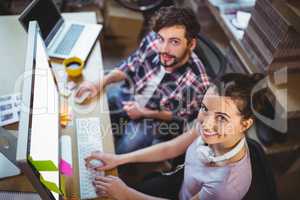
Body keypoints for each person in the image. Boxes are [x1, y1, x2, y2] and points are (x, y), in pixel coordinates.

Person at [84, 73, 268, 200]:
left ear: (245, 124)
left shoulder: (226, 186)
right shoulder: (208, 126)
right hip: (181, 183)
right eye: (204, 108)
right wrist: (118, 159)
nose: (206, 123)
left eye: (221, 118)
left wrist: (125, 194)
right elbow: (172, 147)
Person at [75, 6, 210, 154]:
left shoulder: (198, 82)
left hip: (154, 118)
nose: (164, 49)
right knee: (91, 109)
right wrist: (100, 82)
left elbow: (179, 116)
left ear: (191, 44)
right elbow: (130, 65)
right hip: (130, 94)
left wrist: (144, 112)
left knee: (127, 147)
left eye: (174, 42)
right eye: (161, 39)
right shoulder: (153, 41)